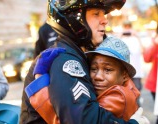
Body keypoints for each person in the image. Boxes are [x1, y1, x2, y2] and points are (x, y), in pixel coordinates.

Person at [20, 0, 149, 123]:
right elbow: (84, 119)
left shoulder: (74, 53)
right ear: (73, 17)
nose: (105, 20)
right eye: (96, 14)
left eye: (104, 14)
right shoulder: (65, 59)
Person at [25, 36, 141, 123]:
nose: (98, 76)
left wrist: (39, 82)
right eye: (94, 69)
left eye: (108, 70)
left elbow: (72, 119)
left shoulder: (119, 96)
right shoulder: (123, 88)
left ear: (125, 75)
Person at [120, 21, 144, 93]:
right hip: (124, 73)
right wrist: (120, 36)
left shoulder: (135, 39)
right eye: (125, 27)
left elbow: (143, 50)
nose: (127, 29)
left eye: (129, 27)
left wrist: (137, 36)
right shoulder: (121, 40)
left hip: (136, 72)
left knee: (136, 93)